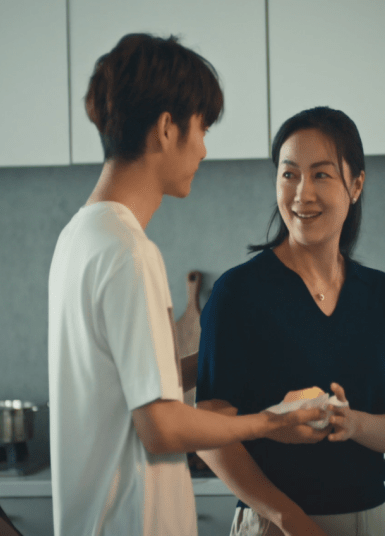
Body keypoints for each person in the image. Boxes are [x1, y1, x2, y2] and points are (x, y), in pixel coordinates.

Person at [47, 34, 324, 536]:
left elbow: (124, 386)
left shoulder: (80, 236)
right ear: (167, 128)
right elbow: (162, 427)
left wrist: (217, 361)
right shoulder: (129, 252)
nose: (203, 149)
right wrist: (273, 420)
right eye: (202, 128)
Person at [195, 106, 385, 536]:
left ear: (356, 184)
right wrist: (289, 518)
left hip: (371, 520)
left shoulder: (382, 295)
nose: (302, 194)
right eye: (289, 174)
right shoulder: (238, 293)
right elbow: (209, 432)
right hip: (274, 523)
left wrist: (352, 423)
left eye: (321, 175)